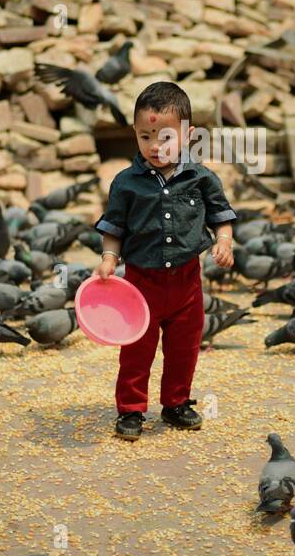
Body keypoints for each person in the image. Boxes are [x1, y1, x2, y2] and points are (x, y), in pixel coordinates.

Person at [93, 82, 237, 440]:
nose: (155, 146)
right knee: (136, 350)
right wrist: (110, 257)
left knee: (184, 348)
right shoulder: (126, 183)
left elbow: (221, 215)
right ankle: (130, 410)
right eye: (145, 136)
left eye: (165, 138)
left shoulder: (201, 177)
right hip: (142, 284)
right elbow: (114, 227)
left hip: (188, 283)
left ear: (188, 134)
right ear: (135, 134)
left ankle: (176, 403)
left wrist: (225, 241)